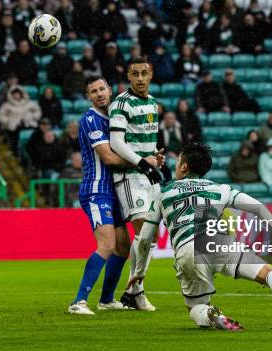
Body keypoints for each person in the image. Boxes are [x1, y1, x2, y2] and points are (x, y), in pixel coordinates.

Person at [128, 142, 272, 330]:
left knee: (195, 306)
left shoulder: (163, 193)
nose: (176, 165)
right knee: (267, 273)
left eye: (178, 162)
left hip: (186, 250)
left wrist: (139, 272)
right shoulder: (220, 189)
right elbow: (258, 207)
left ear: (184, 166)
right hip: (217, 242)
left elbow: (145, 239)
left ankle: (213, 316)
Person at [69, 76, 146, 315]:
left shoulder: (116, 118)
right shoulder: (90, 119)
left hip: (115, 189)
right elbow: (109, 158)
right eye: (94, 91)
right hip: (96, 190)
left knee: (123, 246)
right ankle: (78, 301)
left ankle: (106, 300)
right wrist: (143, 163)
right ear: (89, 97)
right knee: (107, 244)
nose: (99, 93)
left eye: (102, 88)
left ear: (110, 90)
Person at [109, 58, 164, 311]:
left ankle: (132, 289)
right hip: (130, 176)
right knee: (143, 232)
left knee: (150, 238)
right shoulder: (120, 103)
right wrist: (143, 162)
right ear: (128, 76)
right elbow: (117, 143)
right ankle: (137, 290)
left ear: (151, 75)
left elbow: (147, 142)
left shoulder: (152, 103)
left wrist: (155, 157)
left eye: (144, 73)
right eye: (135, 74)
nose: (140, 78)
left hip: (148, 174)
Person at [0, 85, 42, 152]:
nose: (16, 96)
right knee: (15, 140)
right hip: (15, 126)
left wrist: (34, 117)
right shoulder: (6, 105)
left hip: (29, 124)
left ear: (21, 94)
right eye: (14, 94)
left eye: (18, 94)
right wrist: (8, 121)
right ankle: (16, 151)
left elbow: (38, 111)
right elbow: (1, 115)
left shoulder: (30, 103)